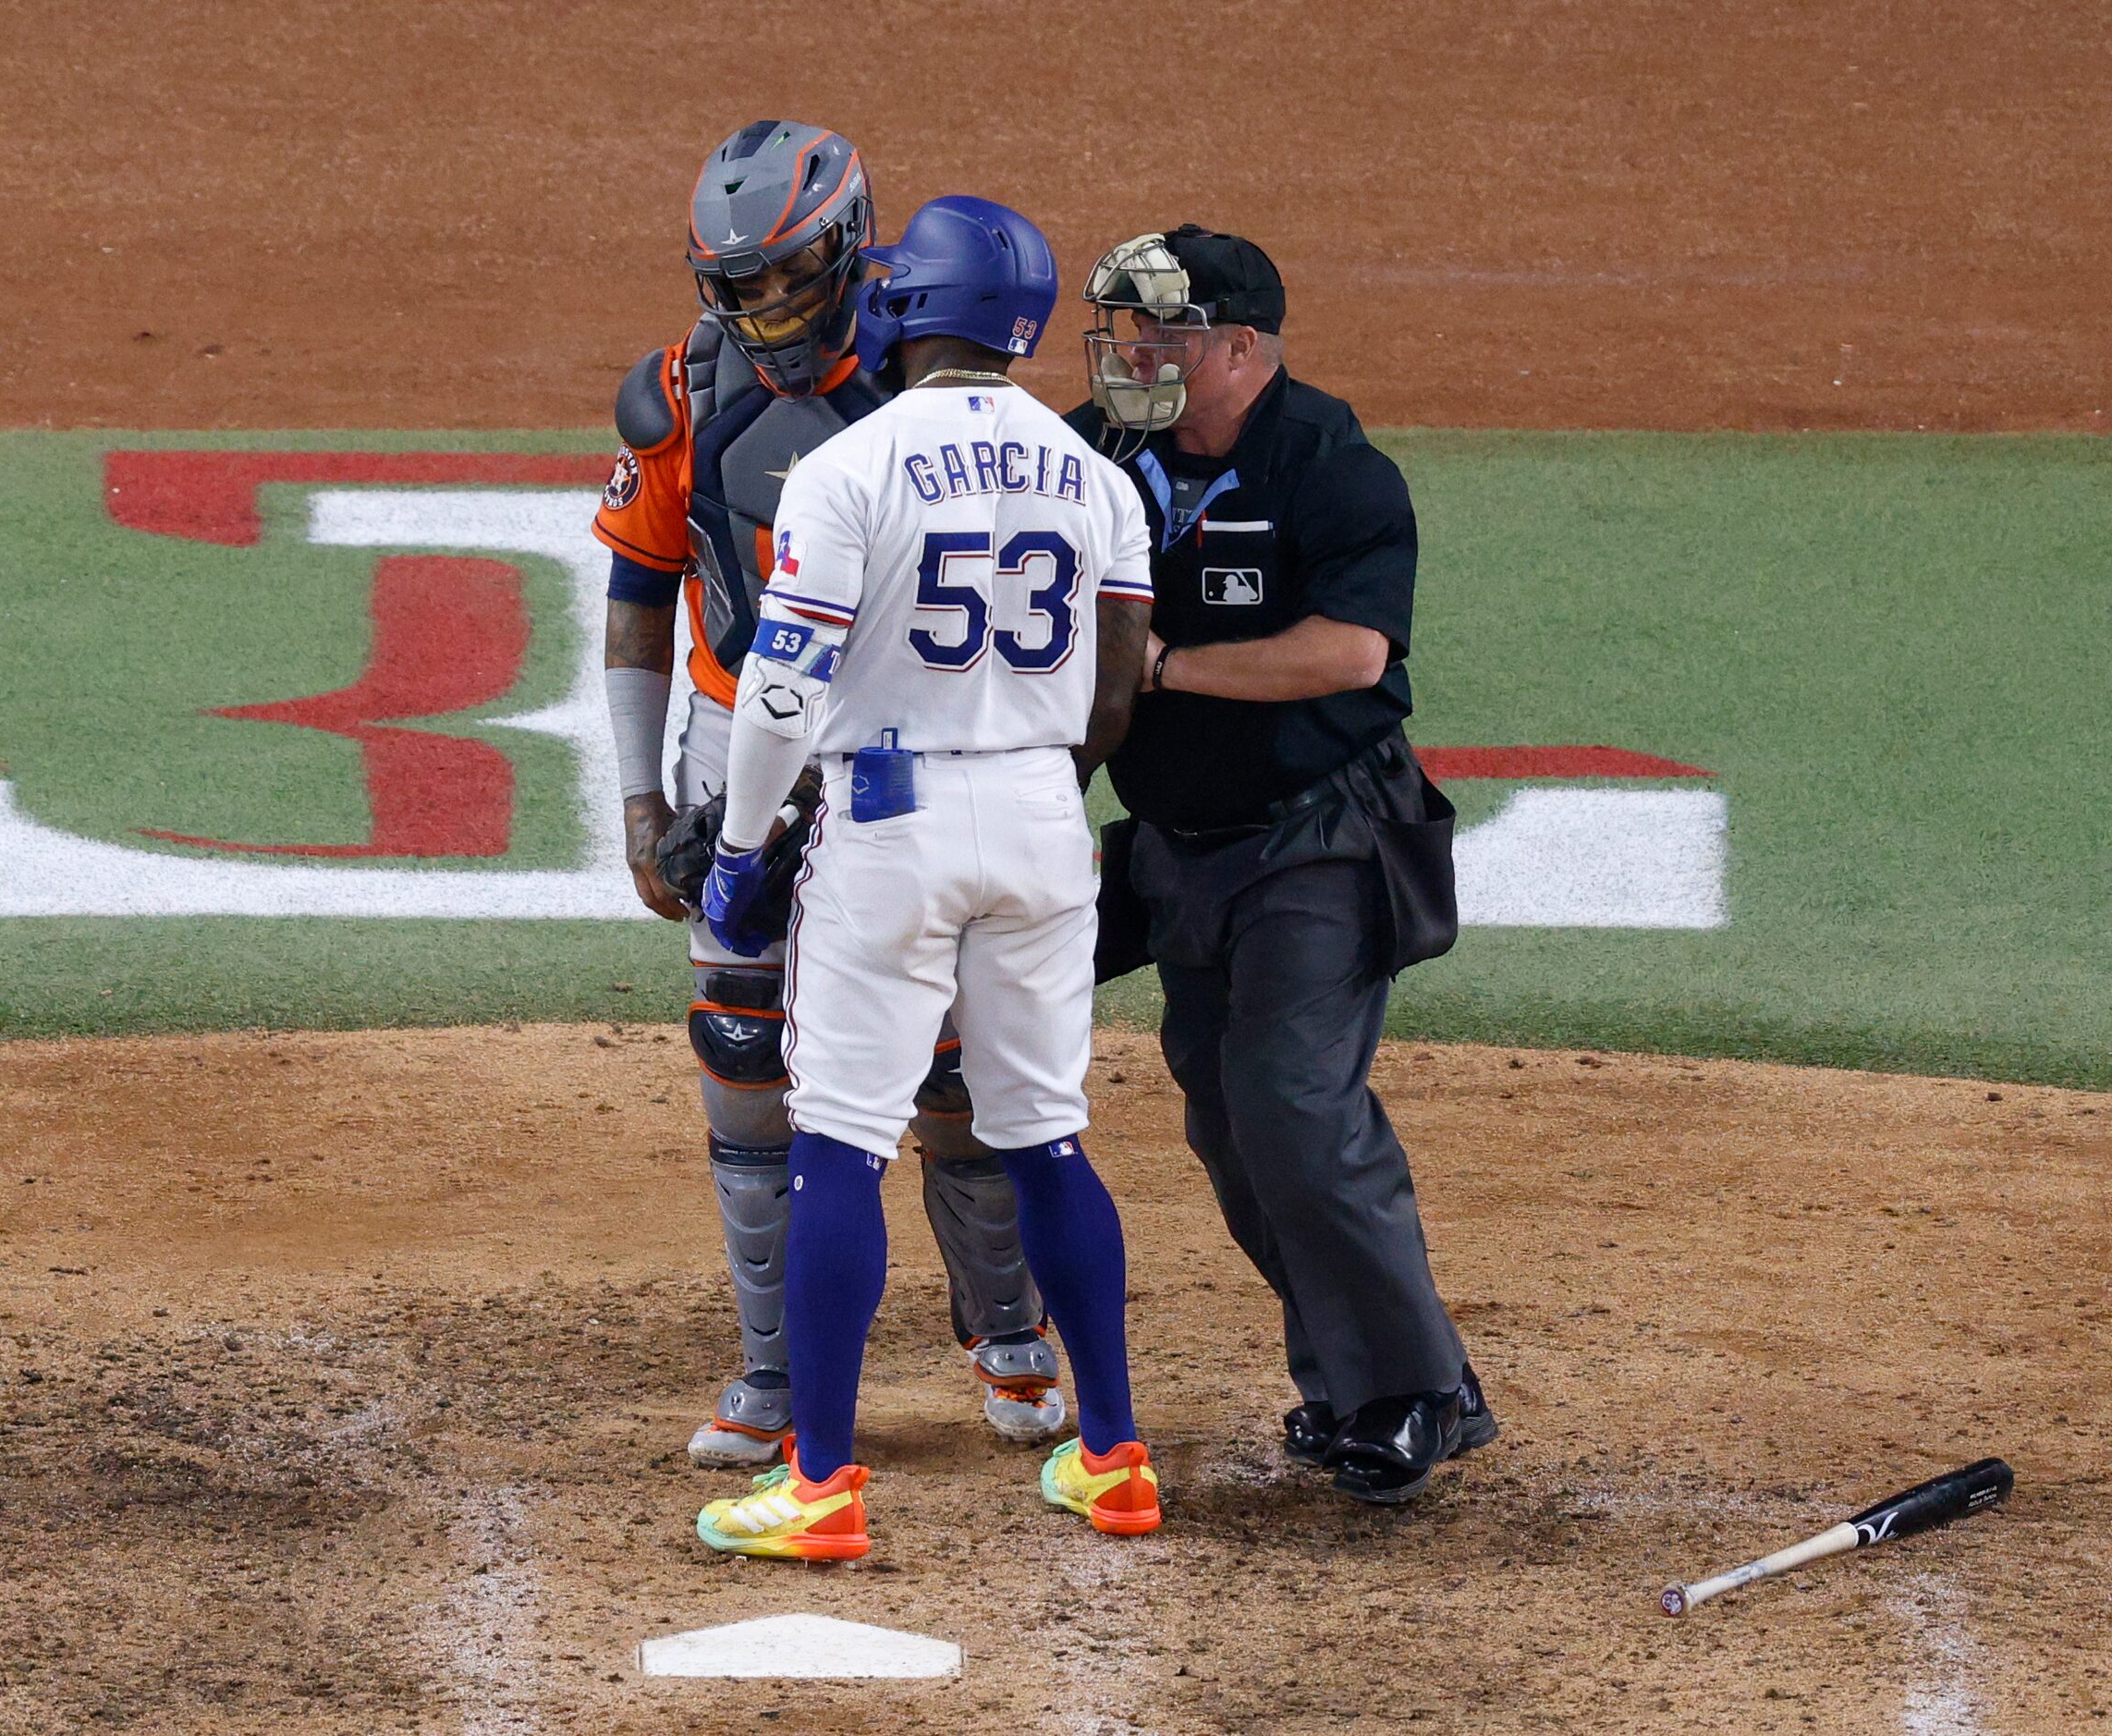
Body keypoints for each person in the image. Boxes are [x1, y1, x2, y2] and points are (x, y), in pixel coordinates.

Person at [593, 121, 1068, 1471]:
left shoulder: (933, 381)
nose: (762, 313)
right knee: (743, 1058)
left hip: (905, 760)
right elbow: (637, 592)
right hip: (736, 741)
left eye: (788, 279)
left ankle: (1009, 1329)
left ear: (854, 249)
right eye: (735, 287)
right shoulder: (685, 387)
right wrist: (642, 798)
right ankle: (771, 1368)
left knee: (950, 1065)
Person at [690, 195, 1160, 1560]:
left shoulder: (852, 468)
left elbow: (779, 695)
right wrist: (1021, 784)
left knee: (838, 1136)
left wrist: (736, 855)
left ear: (904, 308)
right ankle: (1114, 1455)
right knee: (1044, 1131)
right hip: (1038, 817)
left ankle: (823, 1484)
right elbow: (1117, 692)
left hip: (887, 818)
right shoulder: (1099, 476)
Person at [1072, 226, 1496, 1505]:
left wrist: (1161, 669)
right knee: (1226, 1114)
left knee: (1289, 1104)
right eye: (1124, 329)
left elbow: (1352, 652)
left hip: (1319, 832)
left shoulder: (1326, 461)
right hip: (1181, 848)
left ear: (1243, 349)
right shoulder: (1098, 450)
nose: (1132, 353)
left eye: (1163, 333)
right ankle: (1361, 1384)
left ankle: (1411, 1395)